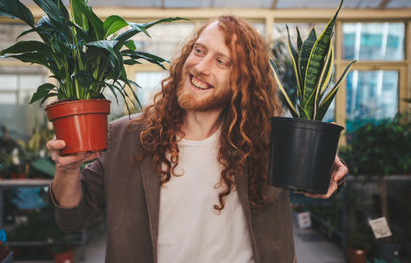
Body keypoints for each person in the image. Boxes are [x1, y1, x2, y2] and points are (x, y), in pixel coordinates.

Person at [47, 15, 348, 263]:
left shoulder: (266, 142)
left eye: (222, 62)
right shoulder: (125, 136)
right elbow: (72, 218)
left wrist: (327, 167)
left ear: (242, 81)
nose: (201, 67)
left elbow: (315, 169)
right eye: (199, 51)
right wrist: (67, 169)